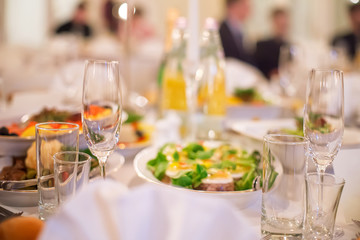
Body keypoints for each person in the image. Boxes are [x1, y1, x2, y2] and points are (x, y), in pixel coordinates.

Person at [255, 8, 289, 79]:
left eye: (284, 24)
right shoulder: (262, 46)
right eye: (279, 24)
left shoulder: (289, 47)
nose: (282, 27)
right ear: (273, 22)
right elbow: (258, 71)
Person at [219, 0, 256, 66]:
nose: (249, 9)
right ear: (234, 6)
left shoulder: (241, 29)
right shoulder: (220, 31)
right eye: (245, 5)